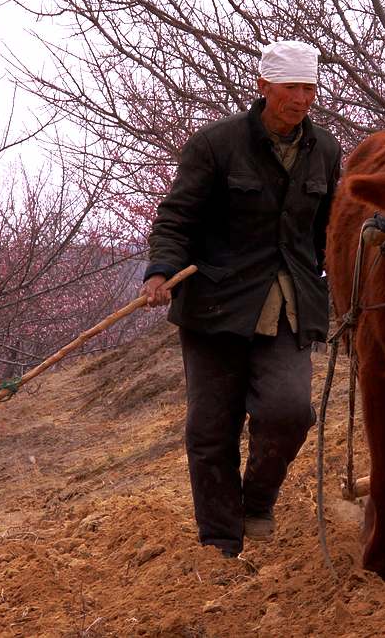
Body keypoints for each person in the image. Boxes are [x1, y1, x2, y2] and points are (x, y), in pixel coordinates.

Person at [140, 41, 342, 557]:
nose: (302, 99)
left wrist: (330, 282)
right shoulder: (216, 144)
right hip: (214, 307)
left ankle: (255, 502)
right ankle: (220, 543)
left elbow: (326, 230)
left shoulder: (326, 149)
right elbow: (176, 217)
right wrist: (161, 270)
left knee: (290, 412)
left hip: (289, 306)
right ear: (263, 87)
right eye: (292, 88)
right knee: (211, 431)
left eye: (309, 88)